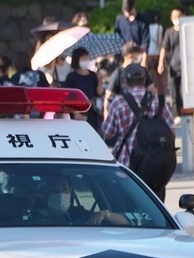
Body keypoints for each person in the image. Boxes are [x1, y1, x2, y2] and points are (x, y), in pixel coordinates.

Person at [101, 63, 176, 200]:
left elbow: (108, 132)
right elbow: (172, 129)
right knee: (154, 204)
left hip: (128, 163)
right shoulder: (158, 101)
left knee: (128, 204)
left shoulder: (119, 102)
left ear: (124, 81)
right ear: (145, 79)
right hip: (158, 164)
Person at [45, 177, 128, 225]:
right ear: (47, 193)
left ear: (71, 192)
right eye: (55, 190)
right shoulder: (33, 215)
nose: (61, 194)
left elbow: (126, 222)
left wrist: (105, 214)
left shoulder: (79, 214)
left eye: (65, 189)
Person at [102, 42, 153, 118]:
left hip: (143, 112)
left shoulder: (142, 70)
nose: (140, 56)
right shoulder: (118, 73)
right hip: (124, 112)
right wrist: (106, 113)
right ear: (130, 56)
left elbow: (151, 89)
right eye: (138, 54)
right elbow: (109, 95)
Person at [64, 47, 104, 132]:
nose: (86, 60)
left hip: (91, 112)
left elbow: (99, 93)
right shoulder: (71, 77)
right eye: (83, 58)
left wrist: (100, 81)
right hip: (76, 111)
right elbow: (68, 96)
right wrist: (76, 113)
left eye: (87, 58)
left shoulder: (92, 75)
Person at [158, 7, 185, 118]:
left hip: (187, 66)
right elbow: (164, 48)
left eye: (179, 16)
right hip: (173, 66)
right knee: (174, 92)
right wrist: (161, 62)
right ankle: (176, 114)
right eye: (175, 17)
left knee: (184, 93)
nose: (177, 19)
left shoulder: (187, 30)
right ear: (171, 18)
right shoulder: (169, 32)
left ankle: (185, 113)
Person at [114, 0, 150, 64]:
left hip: (138, 56)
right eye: (125, 11)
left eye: (129, 11)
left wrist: (144, 60)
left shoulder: (143, 21)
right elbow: (117, 38)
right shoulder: (119, 20)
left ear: (134, 7)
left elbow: (146, 42)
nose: (127, 14)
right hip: (124, 56)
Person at [144, 9, 166, 107]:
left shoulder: (144, 27)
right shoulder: (158, 27)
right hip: (156, 55)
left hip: (146, 55)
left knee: (145, 79)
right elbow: (160, 43)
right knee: (158, 80)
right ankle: (160, 102)